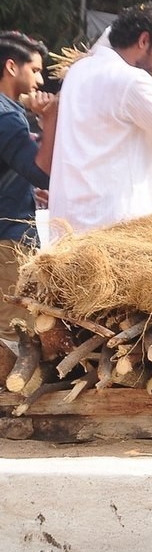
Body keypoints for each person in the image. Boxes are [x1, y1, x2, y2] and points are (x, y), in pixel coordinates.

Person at [48, 4, 152, 238]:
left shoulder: (78, 70)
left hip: (69, 226)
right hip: (111, 229)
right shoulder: (131, 81)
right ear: (143, 41)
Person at [0, 31, 57, 340]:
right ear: (11, 67)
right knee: (14, 332)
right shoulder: (7, 116)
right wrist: (48, 120)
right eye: (34, 70)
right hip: (8, 240)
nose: (39, 81)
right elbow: (42, 174)